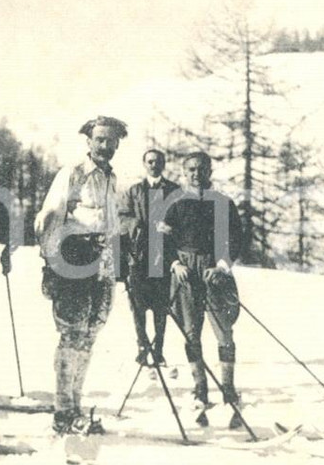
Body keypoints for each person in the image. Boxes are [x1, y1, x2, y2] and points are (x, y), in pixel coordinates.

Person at [35, 115, 127, 435]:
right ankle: (62, 411)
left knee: (90, 334)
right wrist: (50, 262)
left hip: (102, 262)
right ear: (88, 142)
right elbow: (48, 217)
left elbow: (112, 224)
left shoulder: (111, 178)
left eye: (111, 141)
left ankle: (76, 406)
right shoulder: (72, 174)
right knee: (71, 334)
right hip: (73, 257)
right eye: (100, 139)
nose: (105, 146)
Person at [163, 152, 244, 428]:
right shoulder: (173, 203)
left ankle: (229, 390)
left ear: (209, 170)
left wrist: (221, 265)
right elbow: (162, 239)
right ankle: (200, 390)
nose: (196, 173)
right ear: (184, 172)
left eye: (201, 169)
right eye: (190, 169)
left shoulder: (223, 203)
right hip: (185, 273)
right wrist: (174, 263)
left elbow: (236, 238)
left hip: (214, 273)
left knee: (225, 333)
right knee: (190, 332)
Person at [118, 149, 180, 375]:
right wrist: (140, 226)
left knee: (161, 306)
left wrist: (171, 228)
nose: (154, 165)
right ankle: (143, 348)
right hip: (139, 256)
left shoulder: (174, 191)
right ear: (144, 164)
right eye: (150, 161)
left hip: (163, 256)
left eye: (158, 161)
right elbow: (122, 217)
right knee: (138, 306)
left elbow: (181, 218)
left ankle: (158, 348)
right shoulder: (134, 191)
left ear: (163, 164)